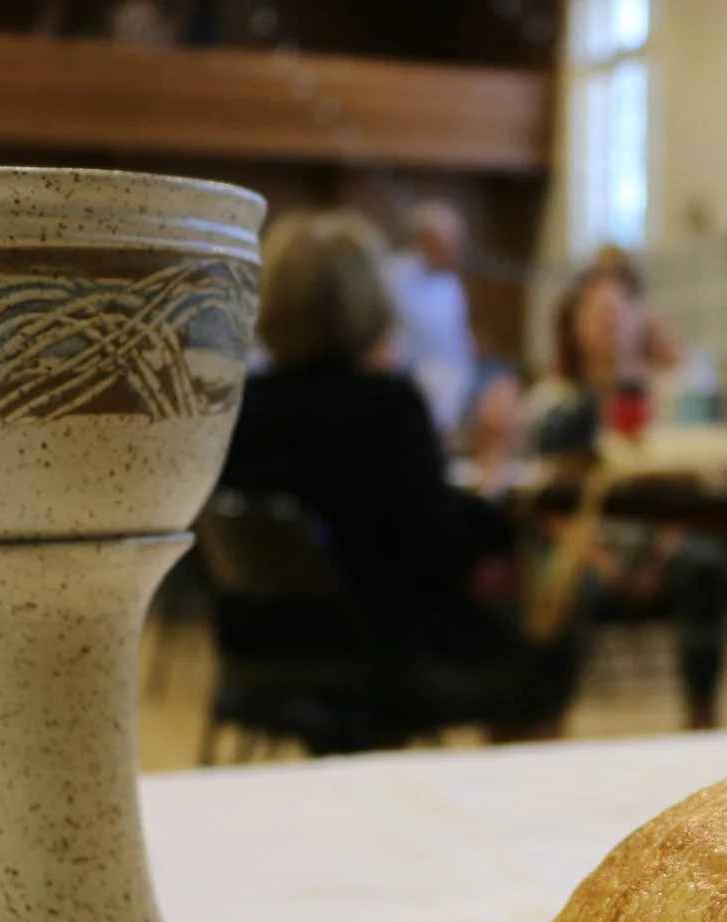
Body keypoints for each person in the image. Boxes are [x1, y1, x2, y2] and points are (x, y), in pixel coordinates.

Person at [218, 211, 570, 743]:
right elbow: (444, 553)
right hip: (389, 656)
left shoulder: (238, 410)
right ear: (371, 301)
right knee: (553, 636)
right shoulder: (386, 407)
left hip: (259, 652)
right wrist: (494, 468)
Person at [521, 265, 727, 730]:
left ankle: (702, 719)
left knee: (704, 566)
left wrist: (660, 555)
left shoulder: (670, 398)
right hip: (584, 549)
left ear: (641, 318)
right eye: (598, 311)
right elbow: (544, 505)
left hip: (658, 550)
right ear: (575, 323)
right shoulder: (555, 403)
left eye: (621, 310)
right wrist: (600, 561)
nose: (611, 320)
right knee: (556, 582)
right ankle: (545, 722)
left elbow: (689, 491)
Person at [383, 200, 478, 437]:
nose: (455, 251)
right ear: (424, 240)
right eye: (449, 243)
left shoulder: (450, 282)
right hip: (408, 386)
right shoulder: (394, 277)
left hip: (451, 391)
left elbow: (458, 332)